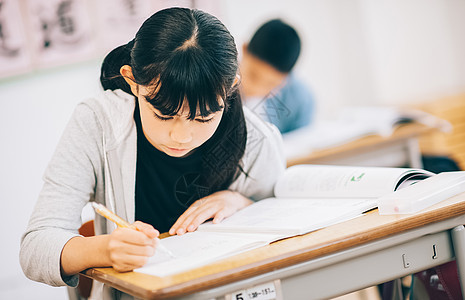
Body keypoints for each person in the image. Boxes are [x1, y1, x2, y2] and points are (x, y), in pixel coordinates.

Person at [20, 7, 284, 299]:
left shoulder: (256, 140)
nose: (181, 136)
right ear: (132, 81)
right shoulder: (99, 123)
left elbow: (284, 222)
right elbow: (35, 248)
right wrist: (105, 249)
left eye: (203, 118)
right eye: (163, 114)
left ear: (230, 88)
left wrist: (240, 201)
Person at [240, 19, 315, 134]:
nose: (256, 89)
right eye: (253, 75)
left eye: (270, 84)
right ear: (244, 49)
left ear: (286, 79)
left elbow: (304, 146)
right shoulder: (218, 88)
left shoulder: (301, 99)